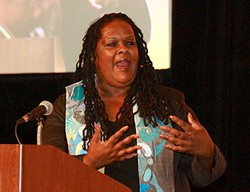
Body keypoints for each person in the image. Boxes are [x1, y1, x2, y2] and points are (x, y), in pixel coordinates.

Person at [42, 12, 227, 192]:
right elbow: (47, 171)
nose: (123, 49)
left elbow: (201, 177)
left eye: (130, 43)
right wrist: (89, 163)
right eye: (112, 44)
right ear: (93, 56)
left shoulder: (168, 103)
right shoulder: (68, 105)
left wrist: (206, 151)